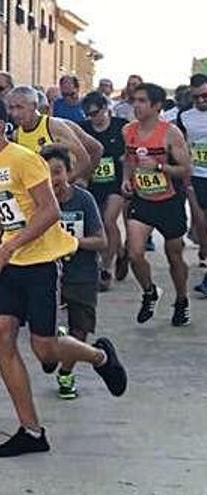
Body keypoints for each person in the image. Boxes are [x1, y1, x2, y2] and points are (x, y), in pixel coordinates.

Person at [0, 94, 127, 457]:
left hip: (41, 264)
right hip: (11, 264)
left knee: (44, 347)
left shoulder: (25, 159)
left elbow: (49, 212)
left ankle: (99, 357)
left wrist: (6, 247)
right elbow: (12, 210)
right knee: (2, 337)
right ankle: (31, 431)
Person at [122, 83, 193, 326]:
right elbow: (129, 159)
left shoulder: (170, 133)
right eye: (135, 100)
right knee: (134, 254)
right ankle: (150, 291)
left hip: (170, 201)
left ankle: (182, 300)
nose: (136, 106)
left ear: (156, 106)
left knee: (174, 255)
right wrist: (125, 180)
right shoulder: (128, 130)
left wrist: (159, 166)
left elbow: (186, 168)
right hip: (143, 200)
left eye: (142, 101)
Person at [43, 144, 107, 399]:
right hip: (47, 273)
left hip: (82, 273)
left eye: (57, 172)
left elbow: (101, 240)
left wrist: (72, 243)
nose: (53, 180)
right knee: (46, 329)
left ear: (68, 172)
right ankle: (54, 350)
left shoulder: (84, 199)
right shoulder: (36, 202)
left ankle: (66, 372)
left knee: (79, 329)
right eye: (46, 174)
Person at [80, 91, 129, 290]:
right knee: (98, 224)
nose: (92, 118)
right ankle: (121, 252)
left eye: (95, 113)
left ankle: (106, 269)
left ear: (105, 109)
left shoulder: (121, 126)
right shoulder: (83, 129)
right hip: (92, 184)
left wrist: (127, 169)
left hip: (115, 183)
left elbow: (131, 150)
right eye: (88, 114)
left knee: (109, 221)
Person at [6, 85, 95, 182]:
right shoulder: (17, 135)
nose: (15, 113)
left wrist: (65, 183)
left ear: (34, 106)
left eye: (20, 107)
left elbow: (84, 159)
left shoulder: (53, 127)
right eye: (11, 108)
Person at [179, 74, 207, 294]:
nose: (201, 101)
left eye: (205, 96)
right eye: (196, 97)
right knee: (201, 225)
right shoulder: (185, 116)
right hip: (197, 177)